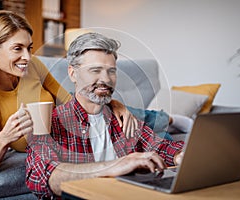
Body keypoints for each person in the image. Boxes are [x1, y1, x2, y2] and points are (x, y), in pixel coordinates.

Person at [0, 10, 136, 176]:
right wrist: (5, 137)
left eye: (29, 48)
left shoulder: (32, 66)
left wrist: (114, 104)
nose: (27, 57)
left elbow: (68, 99)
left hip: (83, 122)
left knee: (152, 122)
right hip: (67, 138)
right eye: (17, 48)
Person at [25, 32, 185, 199]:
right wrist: (115, 166)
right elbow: (41, 177)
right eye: (95, 70)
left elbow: (161, 147)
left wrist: (180, 156)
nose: (106, 79)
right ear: (73, 73)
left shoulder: (122, 118)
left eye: (111, 71)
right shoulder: (52, 122)